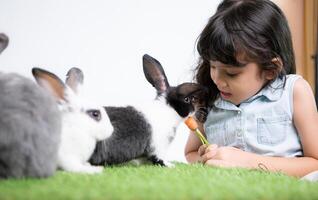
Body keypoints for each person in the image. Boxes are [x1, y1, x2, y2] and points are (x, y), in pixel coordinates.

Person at [185, 0, 318, 177]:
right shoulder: (209, 99)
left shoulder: (293, 91)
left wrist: (247, 162)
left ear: (270, 70)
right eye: (212, 66)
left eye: (231, 73)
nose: (217, 80)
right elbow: (190, 153)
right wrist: (207, 159)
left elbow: (315, 163)